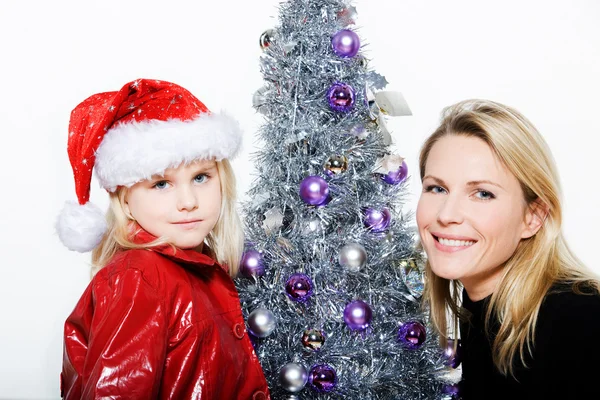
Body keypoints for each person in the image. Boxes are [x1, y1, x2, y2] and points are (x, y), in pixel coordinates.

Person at [56, 79, 270, 399]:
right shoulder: (139, 277)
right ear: (125, 199)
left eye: (201, 177)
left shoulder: (200, 267)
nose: (188, 201)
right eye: (160, 184)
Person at [416, 99, 600, 399]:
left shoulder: (580, 321)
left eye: (483, 194)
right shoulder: (480, 306)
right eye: (437, 188)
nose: (446, 214)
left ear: (533, 217)